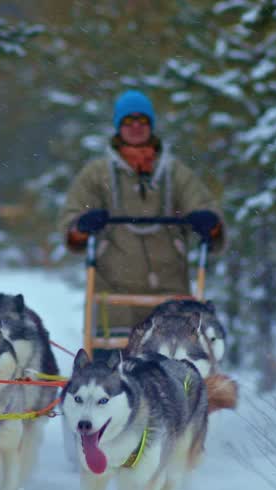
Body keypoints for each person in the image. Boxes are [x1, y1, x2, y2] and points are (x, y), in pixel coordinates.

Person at [59, 89, 225, 335]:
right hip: (113, 300)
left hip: (172, 298)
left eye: (142, 121)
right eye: (128, 121)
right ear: (118, 126)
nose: (136, 127)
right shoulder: (97, 175)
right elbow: (72, 219)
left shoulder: (175, 174)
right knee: (113, 368)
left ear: (151, 125)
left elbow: (201, 205)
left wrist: (209, 223)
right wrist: (81, 226)